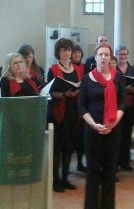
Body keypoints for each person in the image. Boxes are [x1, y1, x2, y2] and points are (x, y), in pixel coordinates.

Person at [79, 43, 126, 209]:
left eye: (107, 55)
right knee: (92, 170)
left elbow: (122, 103)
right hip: (93, 129)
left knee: (109, 170)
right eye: (101, 54)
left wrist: (113, 123)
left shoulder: (118, 77)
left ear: (110, 58)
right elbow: (82, 106)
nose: (104, 57)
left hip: (113, 129)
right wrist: (93, 124)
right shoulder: (86, 79)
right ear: (96, 57)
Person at [47, 38, 81, 193]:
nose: (67, 52)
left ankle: (66, 178)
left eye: (68, 49)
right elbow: (49, 93)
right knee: (57, 148)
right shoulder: (53, 69)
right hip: (58, 112)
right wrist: (64, 94)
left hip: (74, 112)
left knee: (69, 148)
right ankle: (56, 180)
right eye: (63, 50)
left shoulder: (78, 69)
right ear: (58, 53)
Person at [115, 44, 134, 171]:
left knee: (127, 135)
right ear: (116, 55)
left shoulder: (133, 70)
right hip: (117, 106)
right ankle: (116, 162)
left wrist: (133, 89)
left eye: (125, 54)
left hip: (129, 106)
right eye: (120, 54)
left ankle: (125, 162)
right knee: (117, 135)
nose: (123, 56)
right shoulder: (113, 69)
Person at [71, 44, 87, 173]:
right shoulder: (69, 68)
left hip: (83, 103)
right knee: (73, 137)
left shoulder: (85, 67)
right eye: (74, 53)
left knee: (82, 137)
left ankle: (80, 163)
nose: (77, 55)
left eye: (78, 53)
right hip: (71, 104)